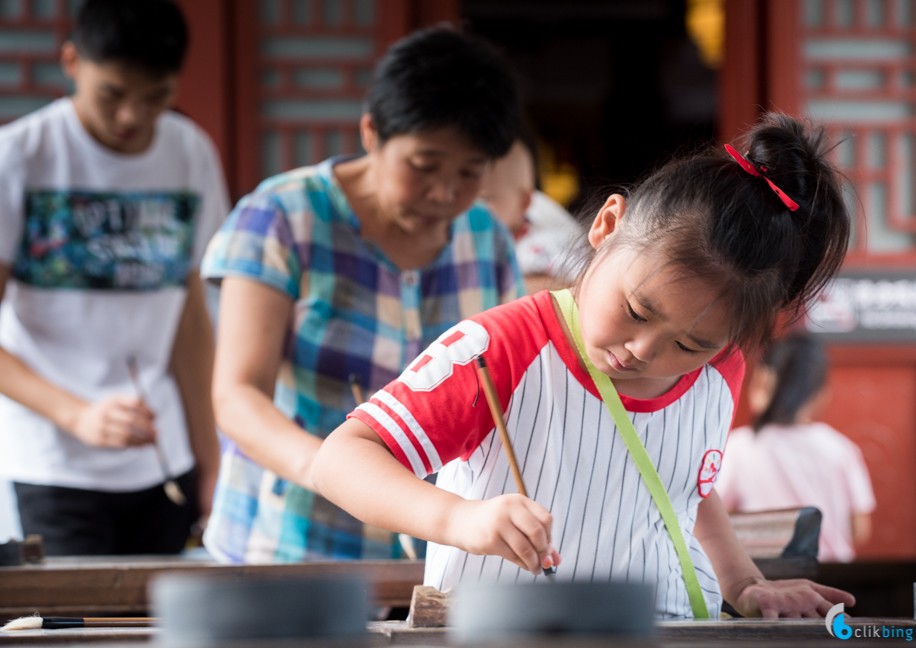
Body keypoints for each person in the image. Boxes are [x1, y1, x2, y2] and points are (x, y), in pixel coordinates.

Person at [313, 112, 857, 619]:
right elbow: (342, 459)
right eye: (637, 310)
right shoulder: (500, 347)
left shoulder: (721, 368)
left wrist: (744, 584)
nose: (645, 351)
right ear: (606, 224)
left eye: (691, 344)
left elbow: (682, 484)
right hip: (510, 628)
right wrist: (459, 518)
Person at [200, 24, 525, 564]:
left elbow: (508, 385)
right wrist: (338, 474)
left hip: (438, 546)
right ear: (371, 132)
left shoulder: (486, 237)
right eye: (423, 167)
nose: (445, 193)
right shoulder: (284, 216)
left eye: (470, 172)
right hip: (294, 538)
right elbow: (237, 396)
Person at [0, 0, 227, 555]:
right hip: (51, 460)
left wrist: (212, 459)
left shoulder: (189, 151)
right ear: (72, 61)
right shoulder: (21, 156)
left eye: (156, 97)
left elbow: (190, 321)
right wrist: (77, 413)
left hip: (162, 456)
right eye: (113, 94)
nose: (132, 116)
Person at [715, 332, 875, 563]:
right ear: (821, 395)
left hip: (765, 578)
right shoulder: (841, 449)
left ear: (762, 382)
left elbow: (716, 516)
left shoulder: (741, 447)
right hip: (833, 579)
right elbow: (859, 530)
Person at [479, 138, 582, 293]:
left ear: (524, 202)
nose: (471, 208)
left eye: (485, 199)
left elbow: (583, 285)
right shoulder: (466, 236)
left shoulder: (546, 246)